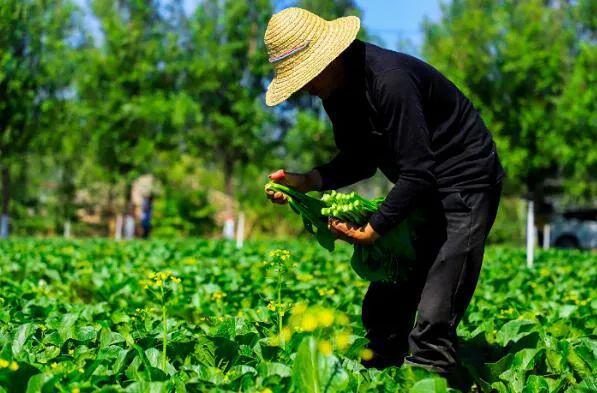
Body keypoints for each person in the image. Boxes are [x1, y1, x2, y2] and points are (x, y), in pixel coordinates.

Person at [262, 7, 505, 387]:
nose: (304, 87)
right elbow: (361, 160)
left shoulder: (390, 81)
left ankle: (429, 374)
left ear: (332, 55)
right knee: (387, 303)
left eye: (306, 75)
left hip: (466, 182)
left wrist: (375, 228)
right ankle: (382, 371)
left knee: (438, 301)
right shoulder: (335, 91)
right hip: (420, 185)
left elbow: (418, 171)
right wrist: (308, 180)